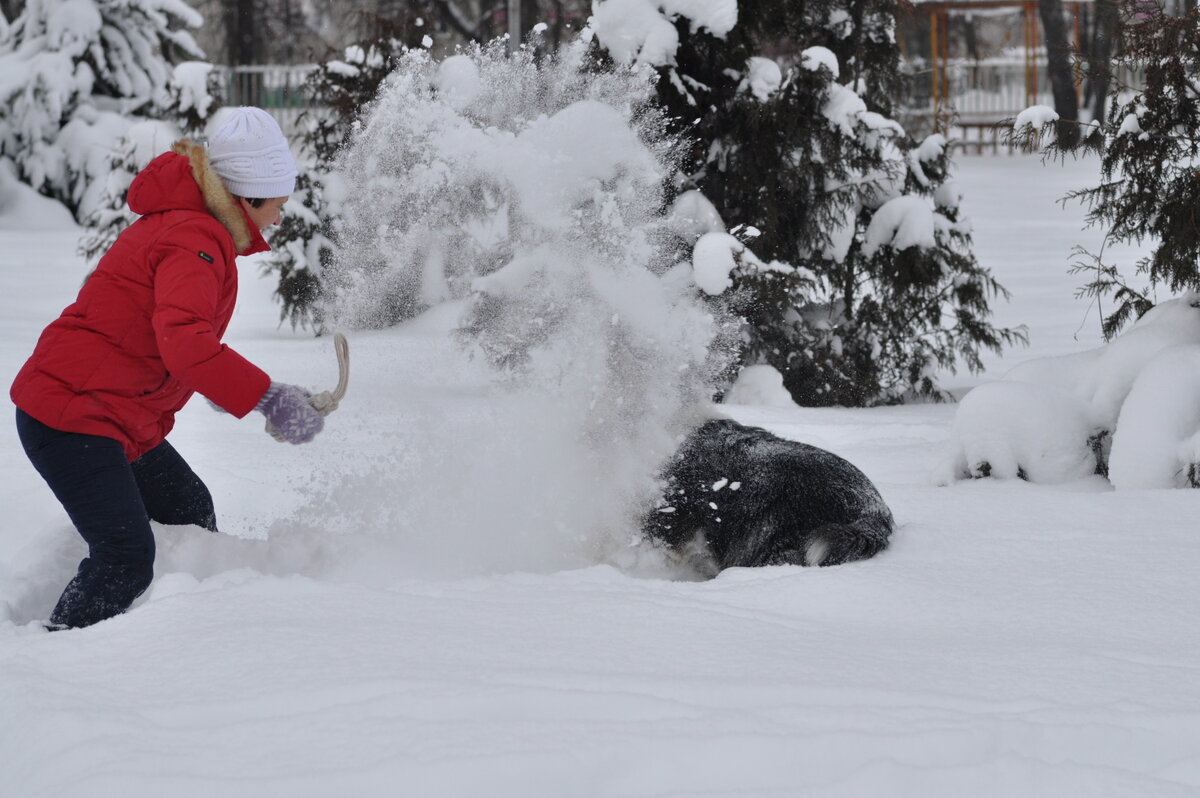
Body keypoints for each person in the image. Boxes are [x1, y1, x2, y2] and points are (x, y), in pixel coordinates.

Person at [10, 107, 325, 630]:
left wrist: (226, 390)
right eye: (277, 204)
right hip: (70, 416)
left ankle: (190, 628)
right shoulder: (195, 240)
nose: (278, 218)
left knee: (188, 511)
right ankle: (55, 651)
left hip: (118, 413)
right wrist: (269, 399)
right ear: (246, 197)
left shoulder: (194, 230)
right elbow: (185, 345)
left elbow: (162, 341)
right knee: (125, 556)